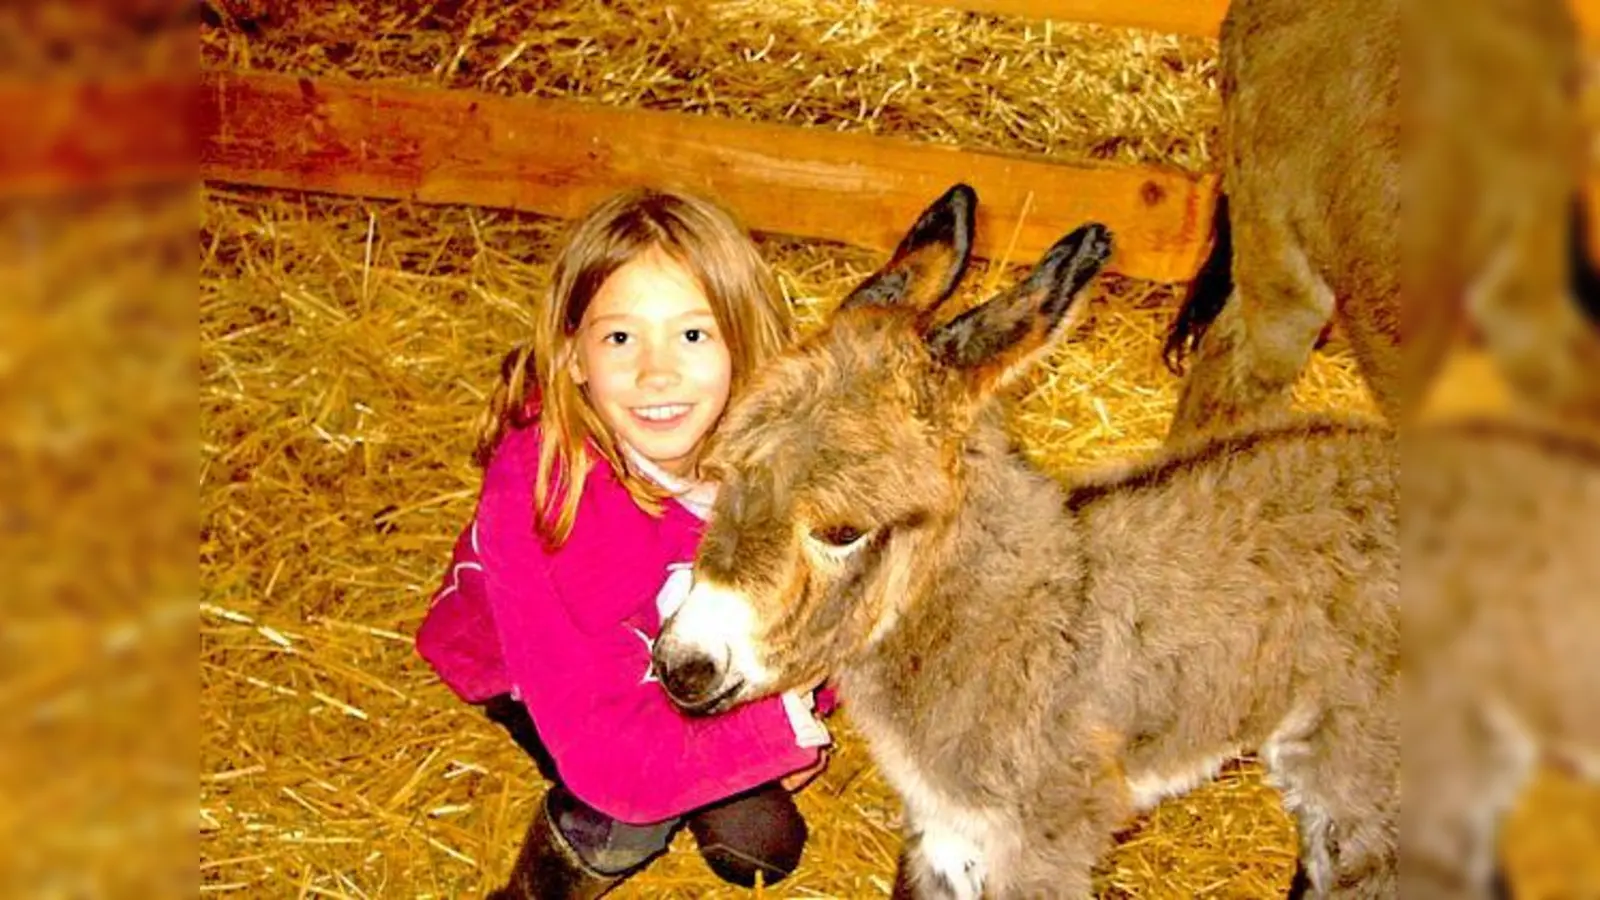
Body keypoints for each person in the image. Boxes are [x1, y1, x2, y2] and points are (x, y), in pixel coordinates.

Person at [415, 187, 834, 899]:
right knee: (625, 812)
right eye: (620, 338)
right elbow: (604, 743)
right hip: (548, 663)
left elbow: (827, 602)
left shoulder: (777, 463)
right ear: (573, 354)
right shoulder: (543, 490)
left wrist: (804, 708)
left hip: (685, 652)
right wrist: (772, 732)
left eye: (694, 335)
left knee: (761, 847)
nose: (657, 373)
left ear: (744, 342)